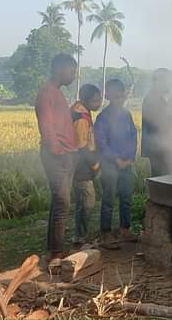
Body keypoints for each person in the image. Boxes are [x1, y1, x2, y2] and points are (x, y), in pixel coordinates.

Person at [34, 53, 79, 270]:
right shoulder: (46, 94)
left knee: (59, 203)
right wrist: (58, 151)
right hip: (57, 157)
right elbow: (47, 127)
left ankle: (55, 248)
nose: (73, 76)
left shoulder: (58, 94)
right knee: (62, 204)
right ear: (60, 70)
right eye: (72, 72)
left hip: (66, 155)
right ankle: (56, 253)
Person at [94, 79, 138, 249]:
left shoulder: (127, 115)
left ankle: (125, 230)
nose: (119, 99)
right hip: (110, 165)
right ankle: (105, 234)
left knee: (127, 197)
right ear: (108, 96)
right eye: (115, 96)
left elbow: (133, 136)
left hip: (127, 163)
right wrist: (116, 159)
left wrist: (129, 158)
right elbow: (101, 142)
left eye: (121, 95)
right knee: (109, 199)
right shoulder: (103, 117)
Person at [70, 84, 103, 247]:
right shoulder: (80, 119)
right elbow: (82, 147)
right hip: (81, 168)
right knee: (88, 201)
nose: (99, 103)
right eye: (95, 100)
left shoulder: (82, 112)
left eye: (99, 99)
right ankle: (82, 236)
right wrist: (95, 165)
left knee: (82, 203)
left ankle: (79, 235)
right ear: (85, 100)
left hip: (81, 166)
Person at [141, 68, 172, 177]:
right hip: (159, 149)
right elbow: (162, 125)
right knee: (162, 180)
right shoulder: (153, 99)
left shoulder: (157, 98)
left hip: (159, 148)